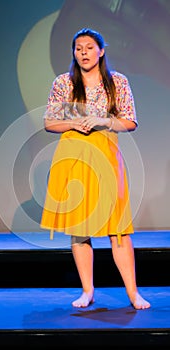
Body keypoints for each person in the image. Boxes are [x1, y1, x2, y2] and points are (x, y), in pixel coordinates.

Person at [40, 28, 151, 310]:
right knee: (80, 228)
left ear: (101, 51)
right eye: (79, 48)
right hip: (73, 155)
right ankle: (87, 291)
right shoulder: (64, 82)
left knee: (118, 228)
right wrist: (74, 123)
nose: (84, 53)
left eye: (89, 47)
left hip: (106, 155)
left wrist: (102, 121)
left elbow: (130, 121)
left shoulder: (118, 82)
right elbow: (50, 122)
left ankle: (133, 293)